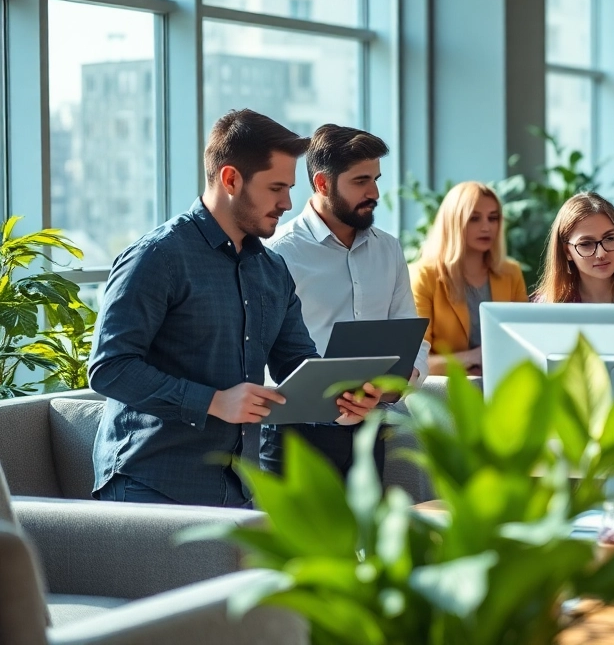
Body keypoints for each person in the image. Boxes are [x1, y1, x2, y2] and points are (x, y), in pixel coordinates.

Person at [89, 110, 382, 507]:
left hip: (239, 490)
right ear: (230, 179)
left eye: (289, 188)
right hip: (151, 487)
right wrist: (213, 401)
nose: (287, 203)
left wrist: (340, 402)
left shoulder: (272, 269)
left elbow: (297, 363)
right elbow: (110, 367)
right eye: (276, 188)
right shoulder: (157, 257)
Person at [263, 124, 430, 478]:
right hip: (297, 436)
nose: (374, 192)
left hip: (370, 430)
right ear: (322, 184)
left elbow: (411, 339)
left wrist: (390, 389)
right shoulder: (279, 254)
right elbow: (262, 353)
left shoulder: (389, 249)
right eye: (360, 181)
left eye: (376, 179)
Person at [411, 181, 528, 376]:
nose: (486, 227)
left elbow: (525, 343)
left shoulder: (511, 272)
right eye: (474, 218)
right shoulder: (424, 276)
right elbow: (415, 362)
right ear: (453, 222)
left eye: (493, 218)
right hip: (446, 388)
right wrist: (473, 357)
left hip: (503, 381)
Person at [534, 192, 614, 304]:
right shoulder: (549, 303)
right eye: (586, 244)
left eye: (610, 238)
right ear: (567, 251)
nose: (601, 254)